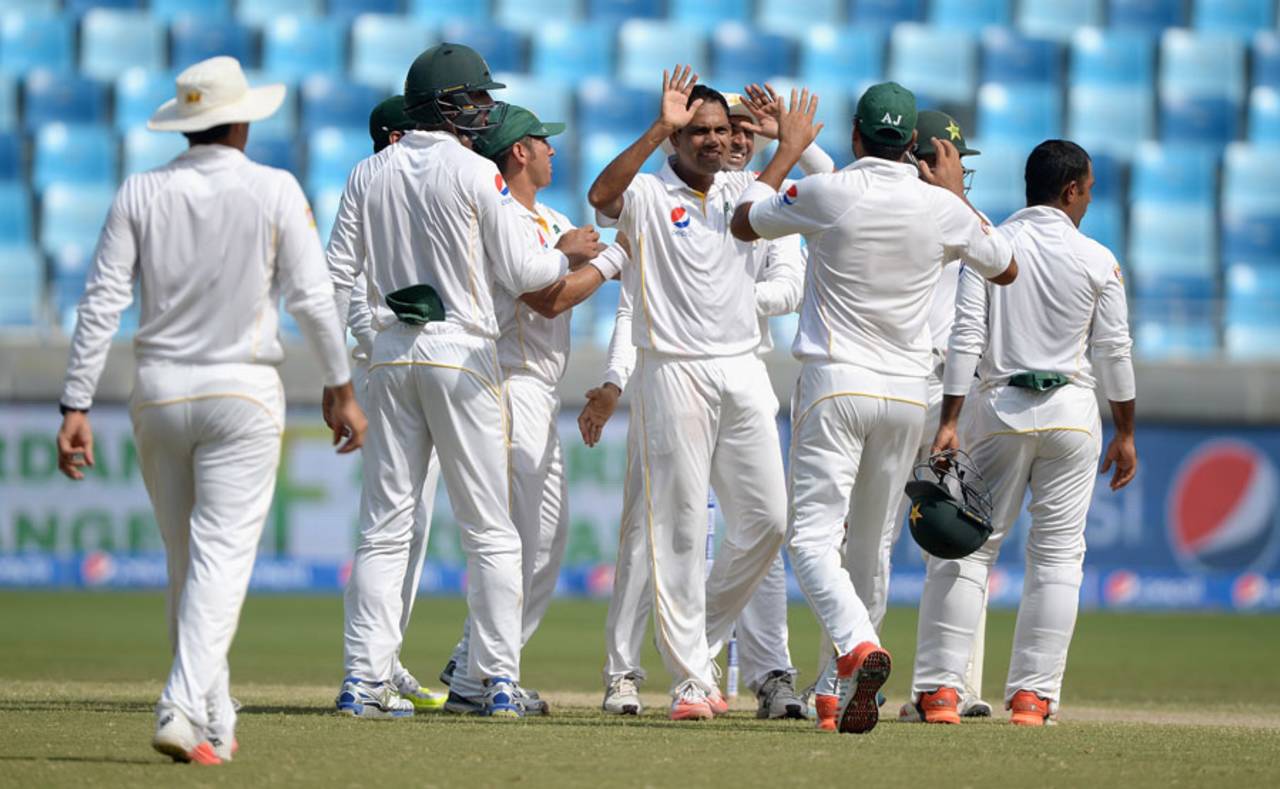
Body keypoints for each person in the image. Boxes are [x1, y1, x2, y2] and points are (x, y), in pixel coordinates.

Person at [55, 56, 362, 764]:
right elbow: (313, 299)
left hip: (159, 390)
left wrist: (77, 400)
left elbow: (102, 300)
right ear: (242, 120)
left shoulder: (142, 189)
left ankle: (214, 721)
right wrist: (341, 384)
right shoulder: (274, 187)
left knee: (188, 561)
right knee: (219, 560)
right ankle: (181, 704)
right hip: (242, 389)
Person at [730, 82, 1018, 734]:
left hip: (837, 383)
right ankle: (836, 688)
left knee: (810, 539)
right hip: (906, 394)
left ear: (856, 137)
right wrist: (955, 193)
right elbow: (1004, 266)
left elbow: (743, 220)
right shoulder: (939, 207)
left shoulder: (832, 193)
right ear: (914, 145)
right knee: (871, 545)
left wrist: (786, 152)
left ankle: (858, 647)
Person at [329, 43, 601, 719]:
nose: (484, 112)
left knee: (384, 527)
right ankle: (499, 679)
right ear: (442, 103)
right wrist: (561, 251)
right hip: (464, 354)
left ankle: (362, 680)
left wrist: (362, 346)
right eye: (474, 99)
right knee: (490, 529)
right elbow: (528, 274)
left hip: (391, 355)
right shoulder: (477, 175)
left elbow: (336, 275)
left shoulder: (368, 173)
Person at [581, 87, 833, 720]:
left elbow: (801, 196)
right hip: (674, 372)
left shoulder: (737, 185)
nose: (717, 140)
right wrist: (652, 129)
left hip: (743, 369)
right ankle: (693, 680)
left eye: (723, 130)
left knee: (770, 523)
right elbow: (600, 198)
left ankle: (698, 641)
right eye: (700, 133)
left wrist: (789, 145)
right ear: (675, 139)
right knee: (681, 529)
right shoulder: (647, 195)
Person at [909, 139, 1137, 726]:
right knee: (1059, 557)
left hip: (998, 408)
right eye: (1086, 189)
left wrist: (950, 421)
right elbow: (1114, 353)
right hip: (1071, 413)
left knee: (968, 546)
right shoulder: (1097, 258)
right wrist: (1126, 433)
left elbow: (966, 337)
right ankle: (1032, 698)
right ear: (1070, 191)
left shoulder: (996, 245)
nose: (1088, 199)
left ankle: (939, 692)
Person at [437, 105, 627, 715]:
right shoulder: (499, 215)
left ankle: (476, 663)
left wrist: (581, 255)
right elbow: (545, 300)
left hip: (539, 389)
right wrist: (608, 260)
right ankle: (483, 671)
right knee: (528, 540)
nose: (553, 152)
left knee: (535, 539)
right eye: (544, 143)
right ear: (519, 151)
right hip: (510, 382)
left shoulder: (552, 219)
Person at [326, 94, 447, 713]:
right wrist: (378, 341)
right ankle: (366, 664)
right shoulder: (375, 188)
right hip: (387, 370)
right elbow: (345, 287)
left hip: (406, 366)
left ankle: (384, 656)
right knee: (389, 522)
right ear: (396, 136)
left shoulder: (408, 191)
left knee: (411, 524)